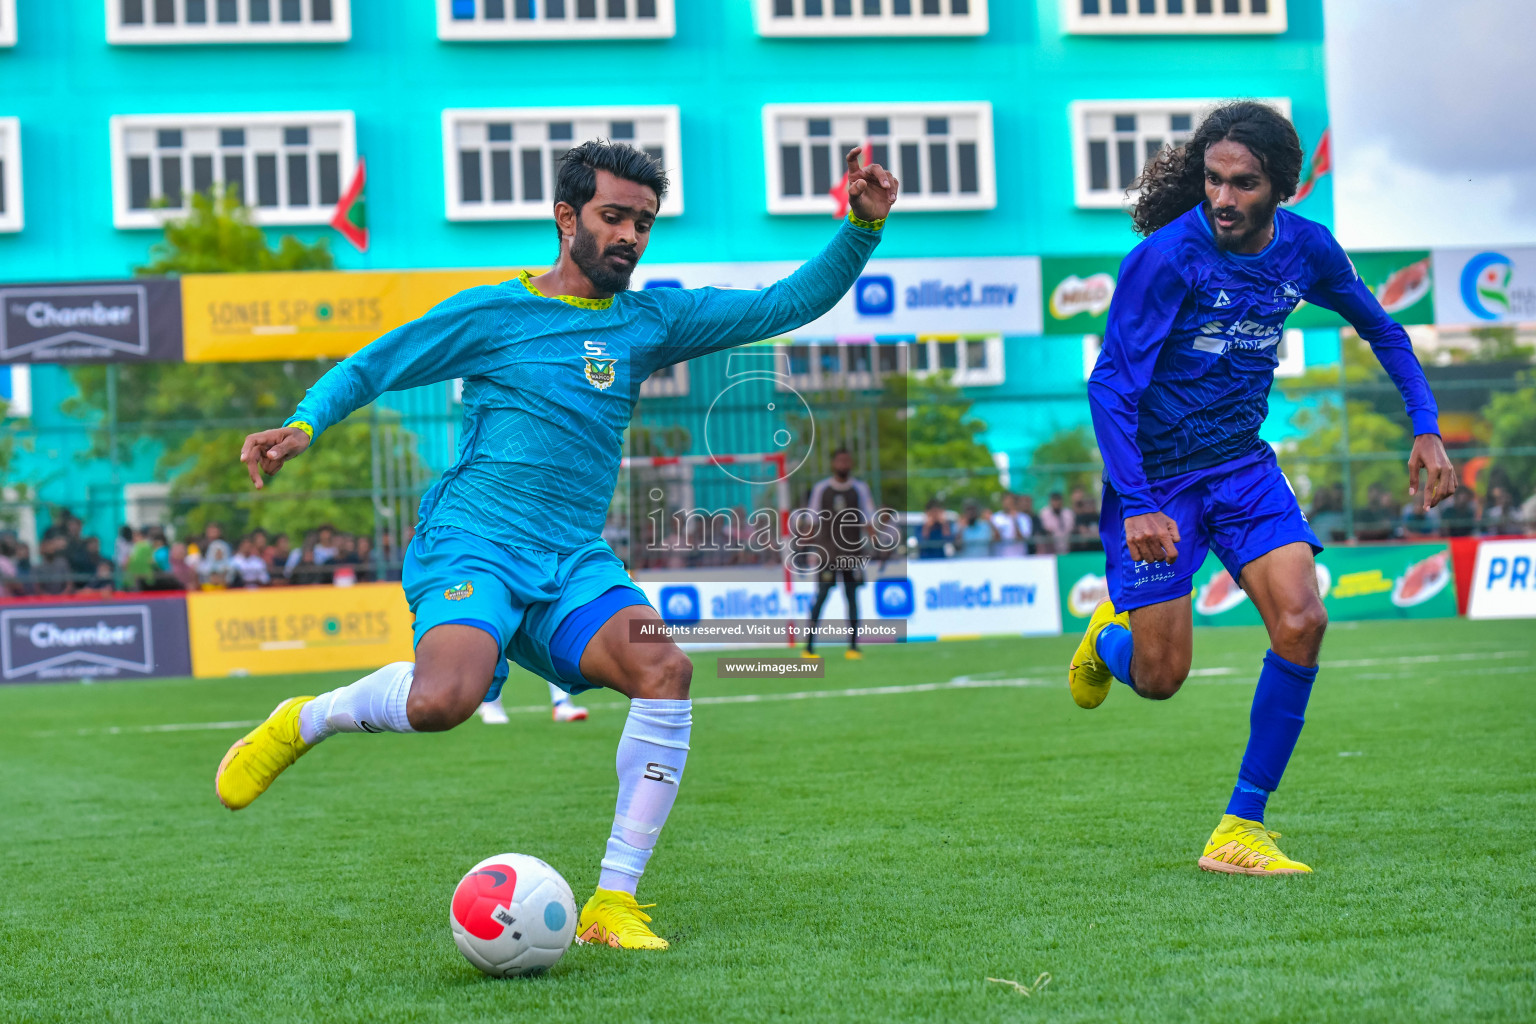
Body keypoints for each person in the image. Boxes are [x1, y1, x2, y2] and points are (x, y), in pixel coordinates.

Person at [215, 140, 898, 950]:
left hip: (572, 558)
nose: (631, 237)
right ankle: (308, 720)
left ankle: (613, 905)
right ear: (567, 217)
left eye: (643, 223)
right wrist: (303, 424)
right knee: (444, 702)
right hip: (473, 543)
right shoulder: (494, 314)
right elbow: (374, 365)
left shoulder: (651, 321)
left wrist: (861, 226)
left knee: (665, 669)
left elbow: (784, 304)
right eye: (614, 217)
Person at [1068, 102, 1455, 876]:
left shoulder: (1308, 250)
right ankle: (1109, 643)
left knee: (1304, 619)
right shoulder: (1165, 259)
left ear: (1282, 186)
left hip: (1243, 466)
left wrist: (1426, 425)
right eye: (1213, 179)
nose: (1222, 198)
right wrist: (1138, 500)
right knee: (1161, 677)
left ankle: (1240, 825)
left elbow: (1382, 328)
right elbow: (1110, 384)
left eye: (1242, 184)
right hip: (1159, 481)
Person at [800, 447, 877, 660]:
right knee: (821, 597)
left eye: (847, 461)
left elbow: (868, 520)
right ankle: (808, 647)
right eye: (840, 461)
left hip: (852, 553)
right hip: (827, 554)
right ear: (833, 464)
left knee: (852, 598)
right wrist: (803, 546)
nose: (844, 465)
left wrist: (877, 543)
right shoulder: (821, 489)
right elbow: (812, 521)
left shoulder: (859, 489)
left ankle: (853, 647)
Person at [991, 493, 1030, 558]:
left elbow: (1022, 538)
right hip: (1000, 558)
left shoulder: (1023, 518)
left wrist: (1014, 520)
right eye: (1005, 501)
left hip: (1019, 558)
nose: (1007, 504)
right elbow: (995, 539)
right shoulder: (995, 518)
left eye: (1010, 502)